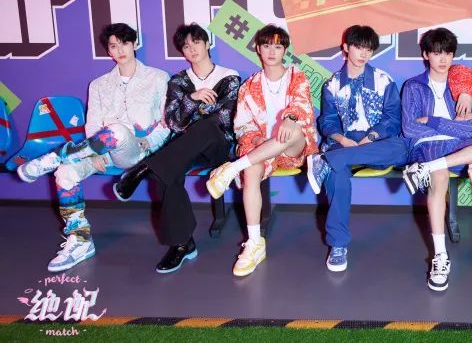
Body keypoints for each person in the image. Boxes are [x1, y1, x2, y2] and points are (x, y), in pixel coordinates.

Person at [17, 23, 169, 272]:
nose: (120, 50)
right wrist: (96, 151)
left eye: (124, 43)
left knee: (118, 130)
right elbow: (93, 125)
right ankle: (80, 240)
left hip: (138, 150)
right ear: (108, 51)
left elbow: (166, 124)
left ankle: (56, 156)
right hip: (101, 149)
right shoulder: (99, 84)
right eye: (113, 46)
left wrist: (150, 142)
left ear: (135, 44)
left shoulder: (158, 78)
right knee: (65, 173)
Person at [113, 23, 241, 273]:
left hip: (218, 147)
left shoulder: (229, 76)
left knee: (205, 127)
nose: (192, 49)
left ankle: (144, 168)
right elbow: (173, 123)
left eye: (196, 43)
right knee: (165, 175)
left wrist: (193, 112)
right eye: (186, 46)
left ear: (207, 44)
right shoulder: (179, 81)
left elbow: (226, 118)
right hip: (183, 150)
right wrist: (192, 99)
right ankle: (182, 244)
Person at [206, 25, 318, 276]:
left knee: (292, 131)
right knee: (251, 171)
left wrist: (290, 118)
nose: (272, 51)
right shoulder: (249, 86)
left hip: (294, 149)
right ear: (258, 49)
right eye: (266, 46)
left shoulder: (297, 76)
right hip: (261, 150)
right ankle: (255, 242)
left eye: (278, 46)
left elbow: (302, 106)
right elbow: (242, 126)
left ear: (285, 50)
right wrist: (257, 138)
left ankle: (231, 169)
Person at [400, 28, 472, 291]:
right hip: (427, 146)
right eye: (436, 53)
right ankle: (440, 256)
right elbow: (410, 129)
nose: (443, 59)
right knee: (439, 177)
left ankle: (427, 168)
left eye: (447, 53)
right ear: (426, 55)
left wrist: (432, 120)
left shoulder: (462, 85)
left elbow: (468, 129)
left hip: (457, 145)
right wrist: (447, 126)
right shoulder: (413, 86)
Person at [306, 25, 409, 273]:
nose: (364, 54)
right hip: (343, 142)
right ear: (346, 48)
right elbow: (327, 122)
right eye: (358, 47)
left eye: (369, 49)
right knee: (337, 177)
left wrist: (371, 137)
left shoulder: (383, 81)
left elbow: (393, 119)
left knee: (401, 148)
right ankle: (338, 245)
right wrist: (342, 140)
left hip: (376, 143)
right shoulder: (332, 84)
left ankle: (328, 160)